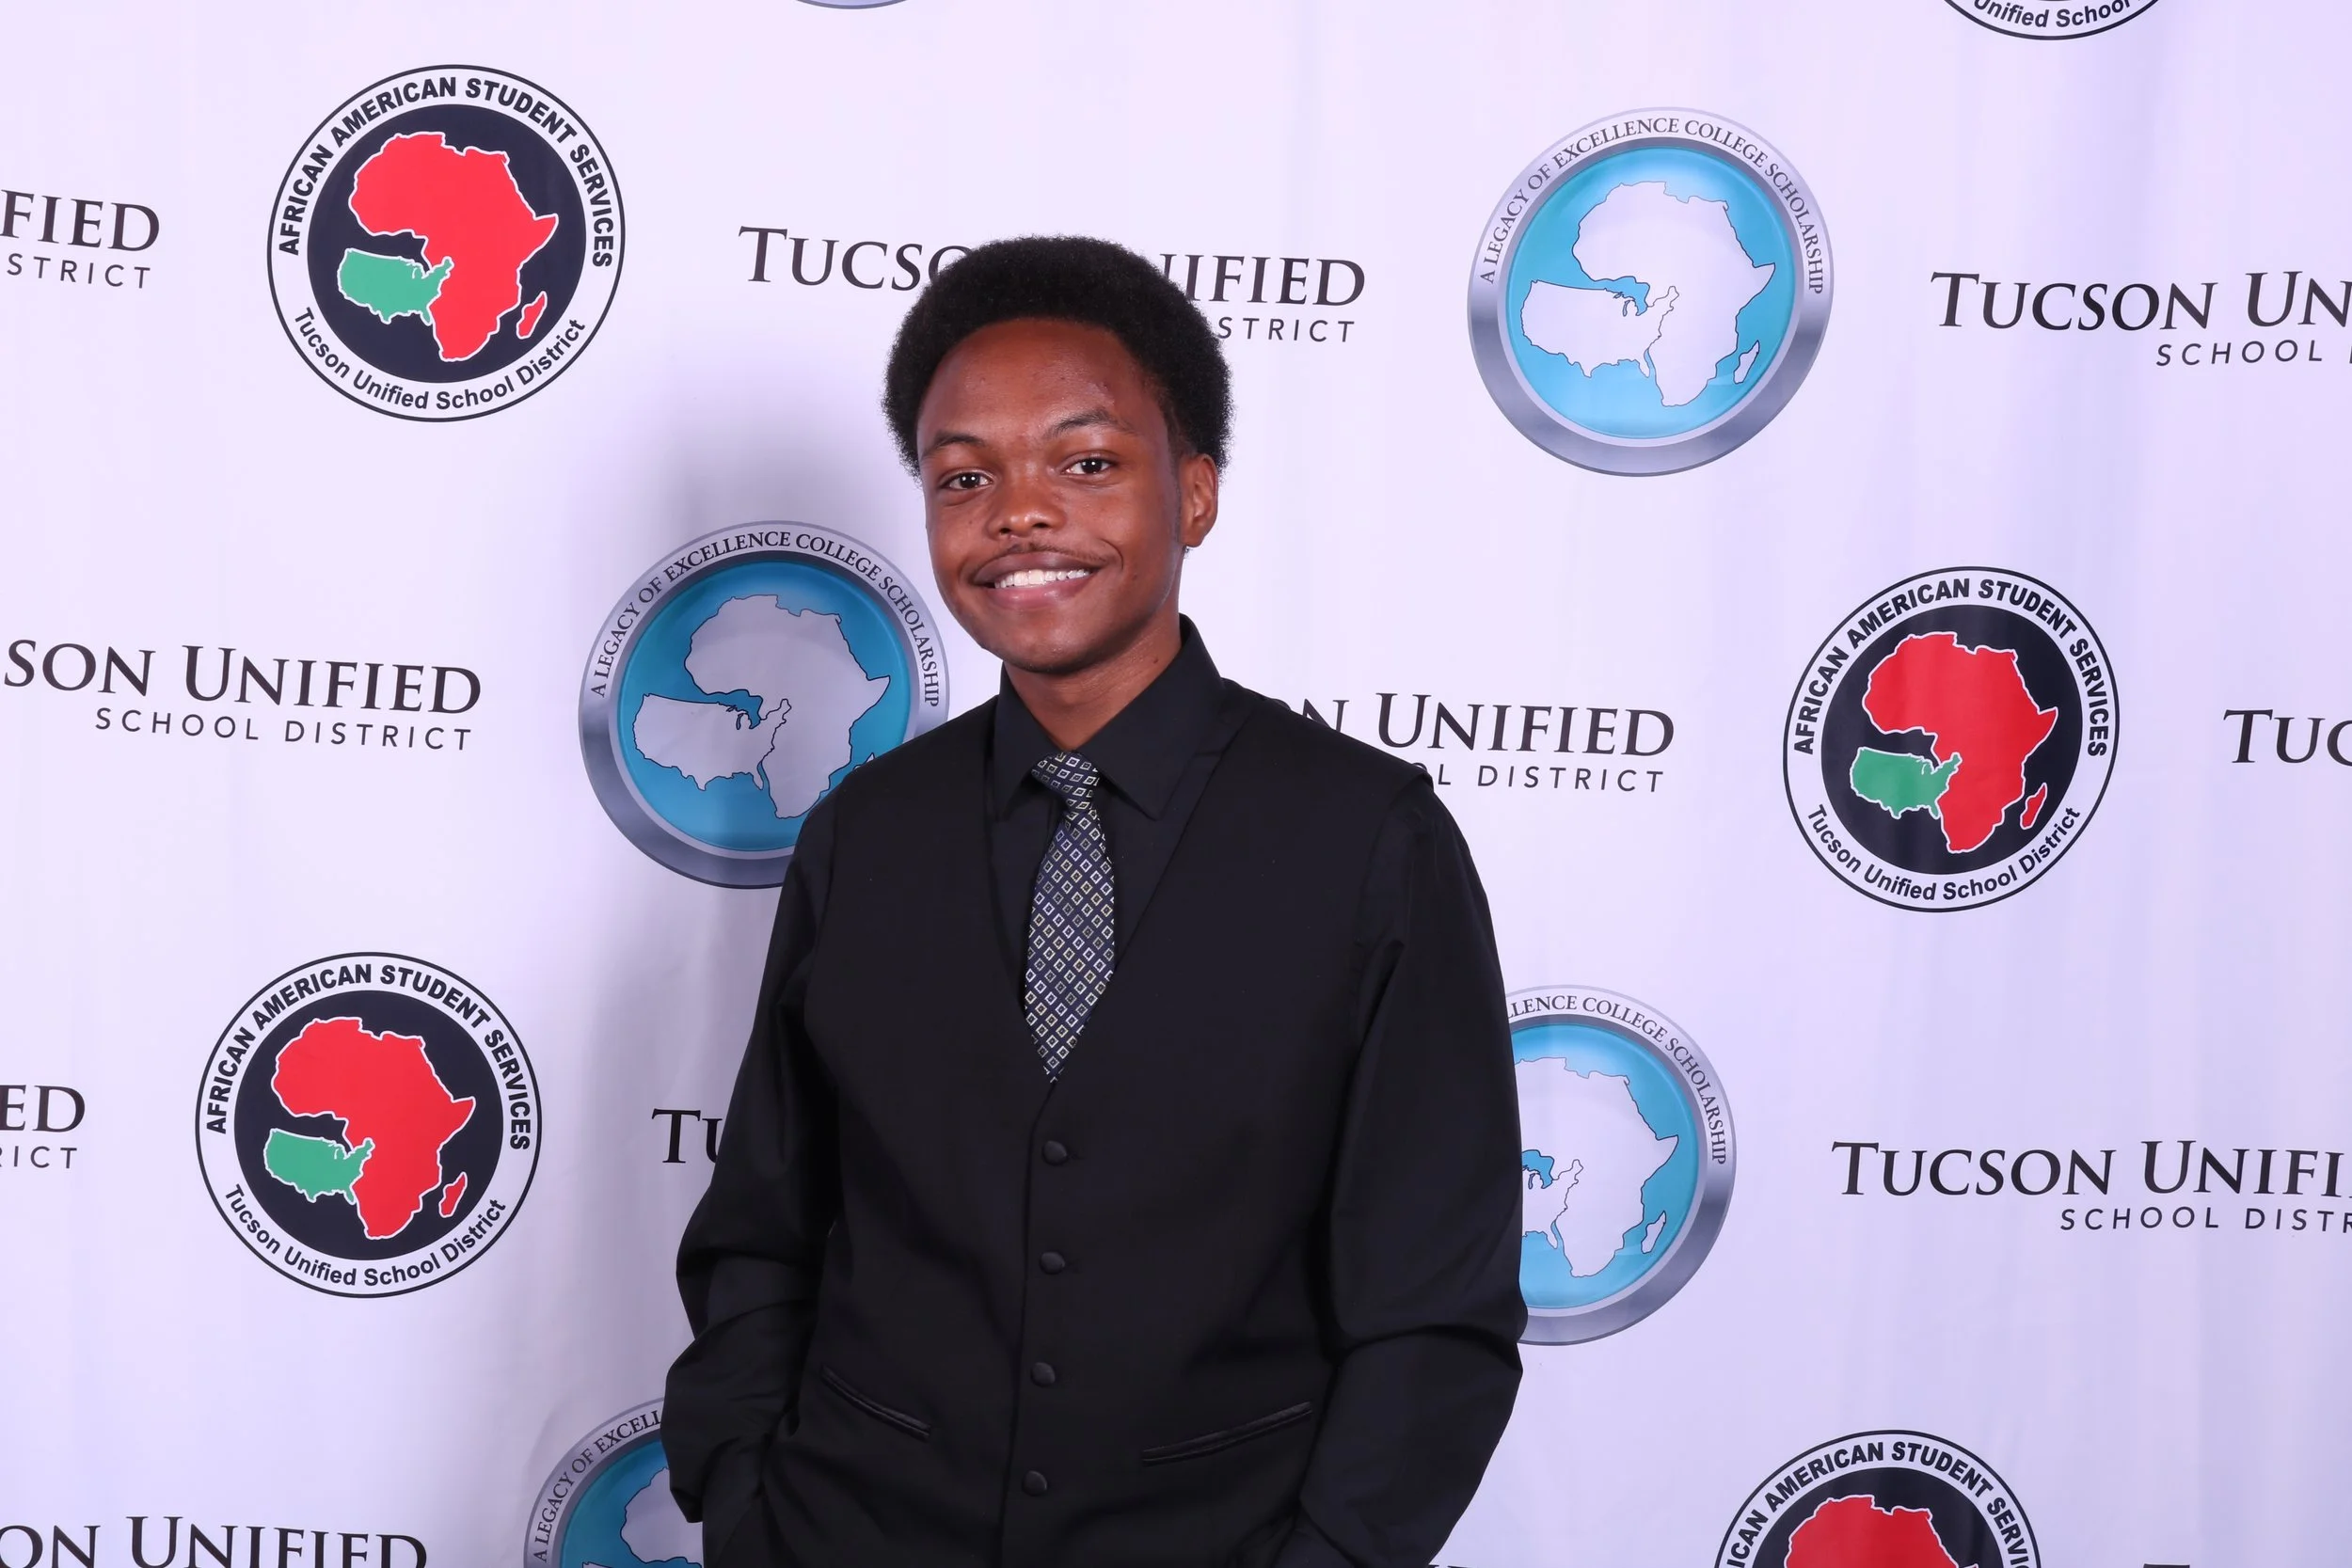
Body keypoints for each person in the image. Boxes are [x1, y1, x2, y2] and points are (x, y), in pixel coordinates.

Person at [664, 235, 1524, 1568]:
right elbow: (763, 1228)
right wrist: (747, 1496)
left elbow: (1434, 1303)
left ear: (1196, 492)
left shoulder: (1370, 838)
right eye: (965, 477)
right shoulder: (863, 835)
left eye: (1086, 462)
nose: (1020, 513)